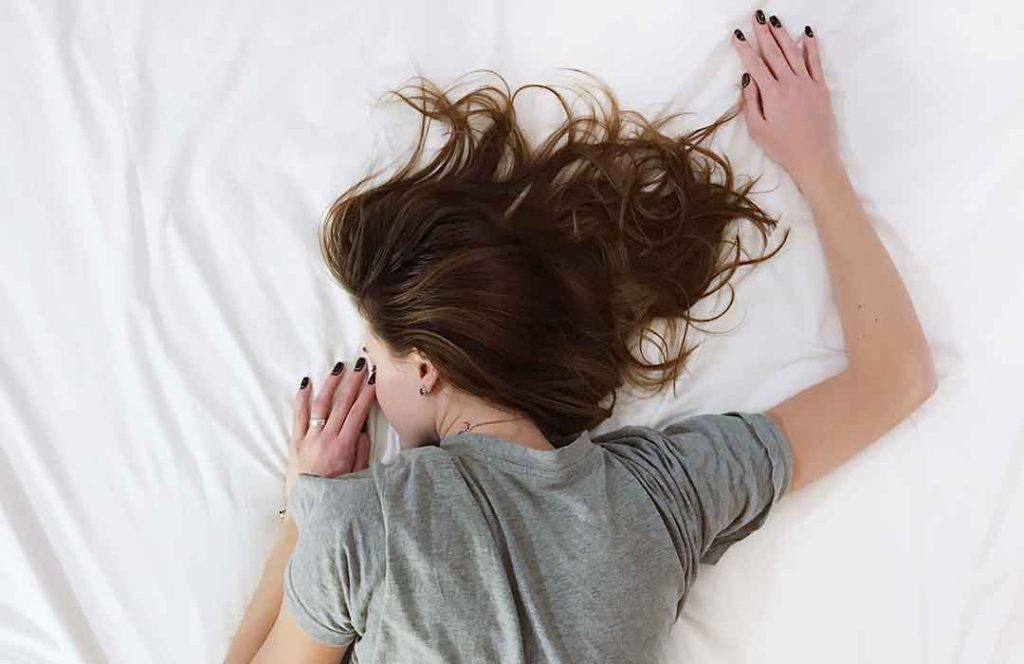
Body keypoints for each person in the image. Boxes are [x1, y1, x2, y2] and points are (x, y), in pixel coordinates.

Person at [227, 9, 937, 663]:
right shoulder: (664, 495)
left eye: (377, 357)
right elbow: (896, 376)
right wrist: (816, 164)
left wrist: (305, 509)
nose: (372, 385)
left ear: (427, 370)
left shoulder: (361, 526)